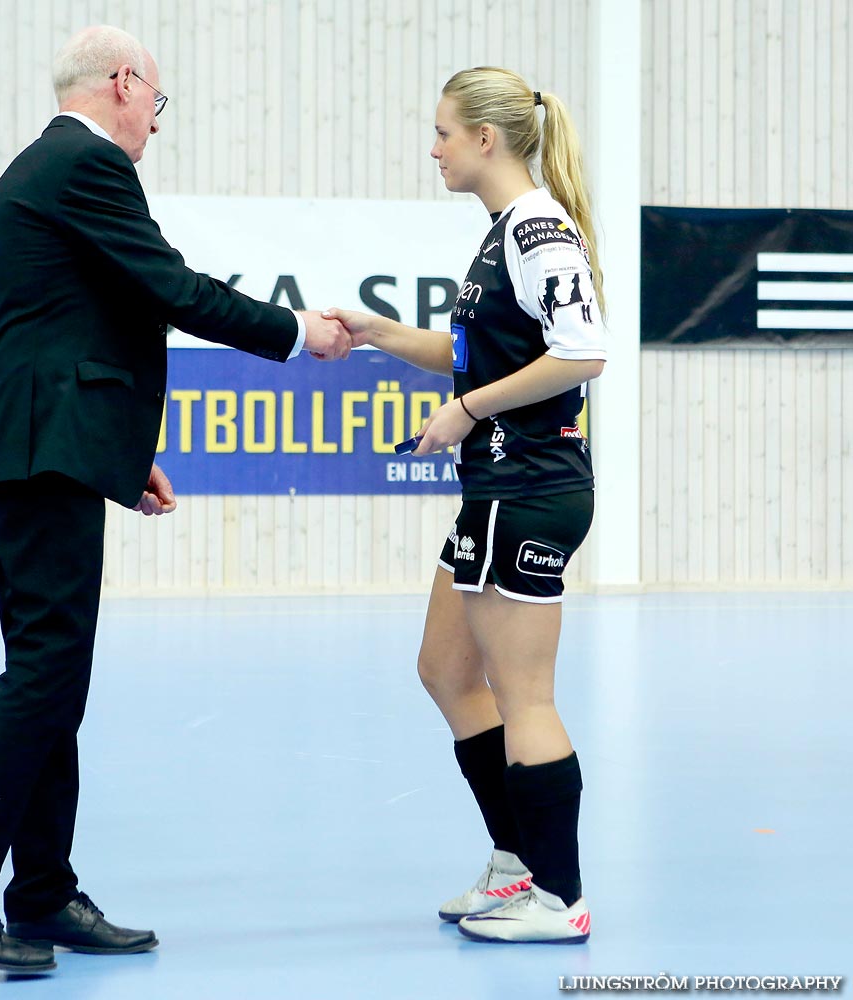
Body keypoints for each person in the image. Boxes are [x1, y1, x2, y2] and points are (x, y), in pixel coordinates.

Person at [0, 24, 350, 974]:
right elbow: (170, 288)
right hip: (33, 457)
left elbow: (77, 320)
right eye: (158, 101)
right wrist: (298, 331)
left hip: (41, 450)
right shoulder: (84, 163)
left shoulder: (52, 170)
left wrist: (117, 453)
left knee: (50, 670)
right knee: (46, 673)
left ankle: (45, 892)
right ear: (125, 83)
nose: (155, 122)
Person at [326, 66, 607, 944]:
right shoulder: (501, 234)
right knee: (447, 671)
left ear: (486, 140)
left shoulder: (538, 229)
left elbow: (583, 351)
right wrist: (376, 332)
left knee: (525, 694)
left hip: (530, 487)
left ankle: (558, 898)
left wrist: (469, 409)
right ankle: (515, 861)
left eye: (444, 131)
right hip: (495, 490)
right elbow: (469, 349)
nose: (435, 147)